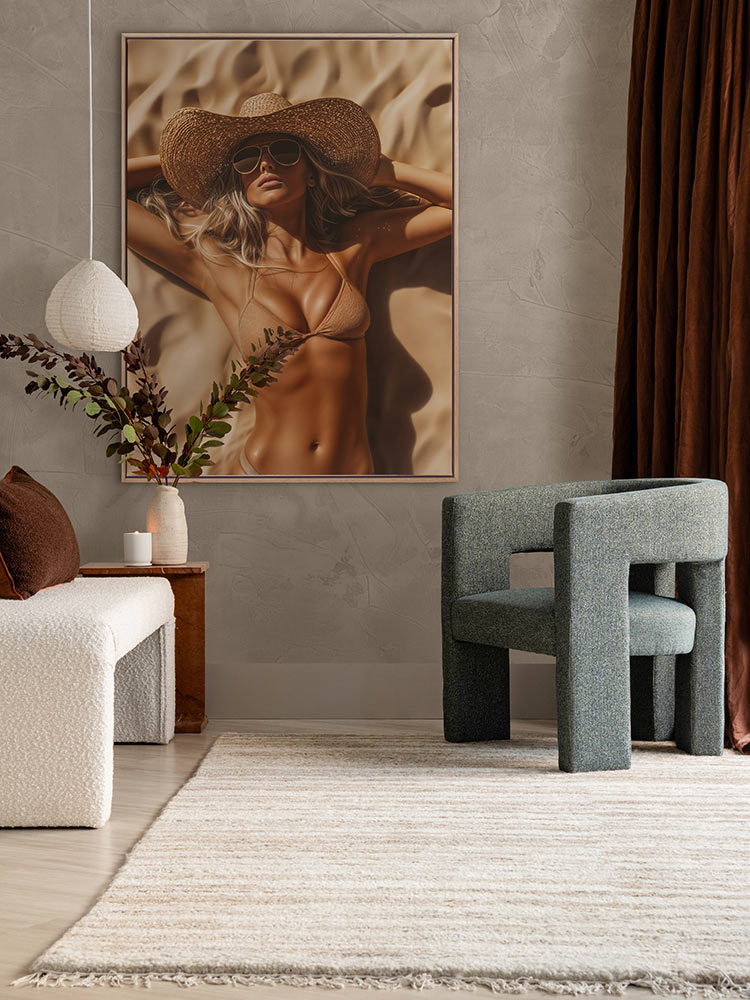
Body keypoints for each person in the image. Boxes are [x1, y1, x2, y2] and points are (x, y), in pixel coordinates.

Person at [126, 92, 452, 476]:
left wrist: (383, 171)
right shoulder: (218, 265)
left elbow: (466, 207)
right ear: (240, 180)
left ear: (311, 172)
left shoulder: (353, 245)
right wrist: (185, 168)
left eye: (284, 151)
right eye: (247, 159)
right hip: (264, 476)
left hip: (356, 478)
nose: (265, 163)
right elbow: (102, 186)